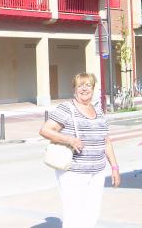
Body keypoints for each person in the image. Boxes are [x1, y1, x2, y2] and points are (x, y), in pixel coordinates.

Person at [39, 72, 120, 228]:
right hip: (73, 172)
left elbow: (106, 140)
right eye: (80, 85)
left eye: (88, 85)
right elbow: (45, 130)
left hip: (97, 171)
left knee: (92, 212)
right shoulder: (66, 108)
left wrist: (114, 167)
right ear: (74, 88)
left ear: (93, 88)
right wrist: (69, 139)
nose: (84, 89)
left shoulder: (98, 110)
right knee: (74, 214)